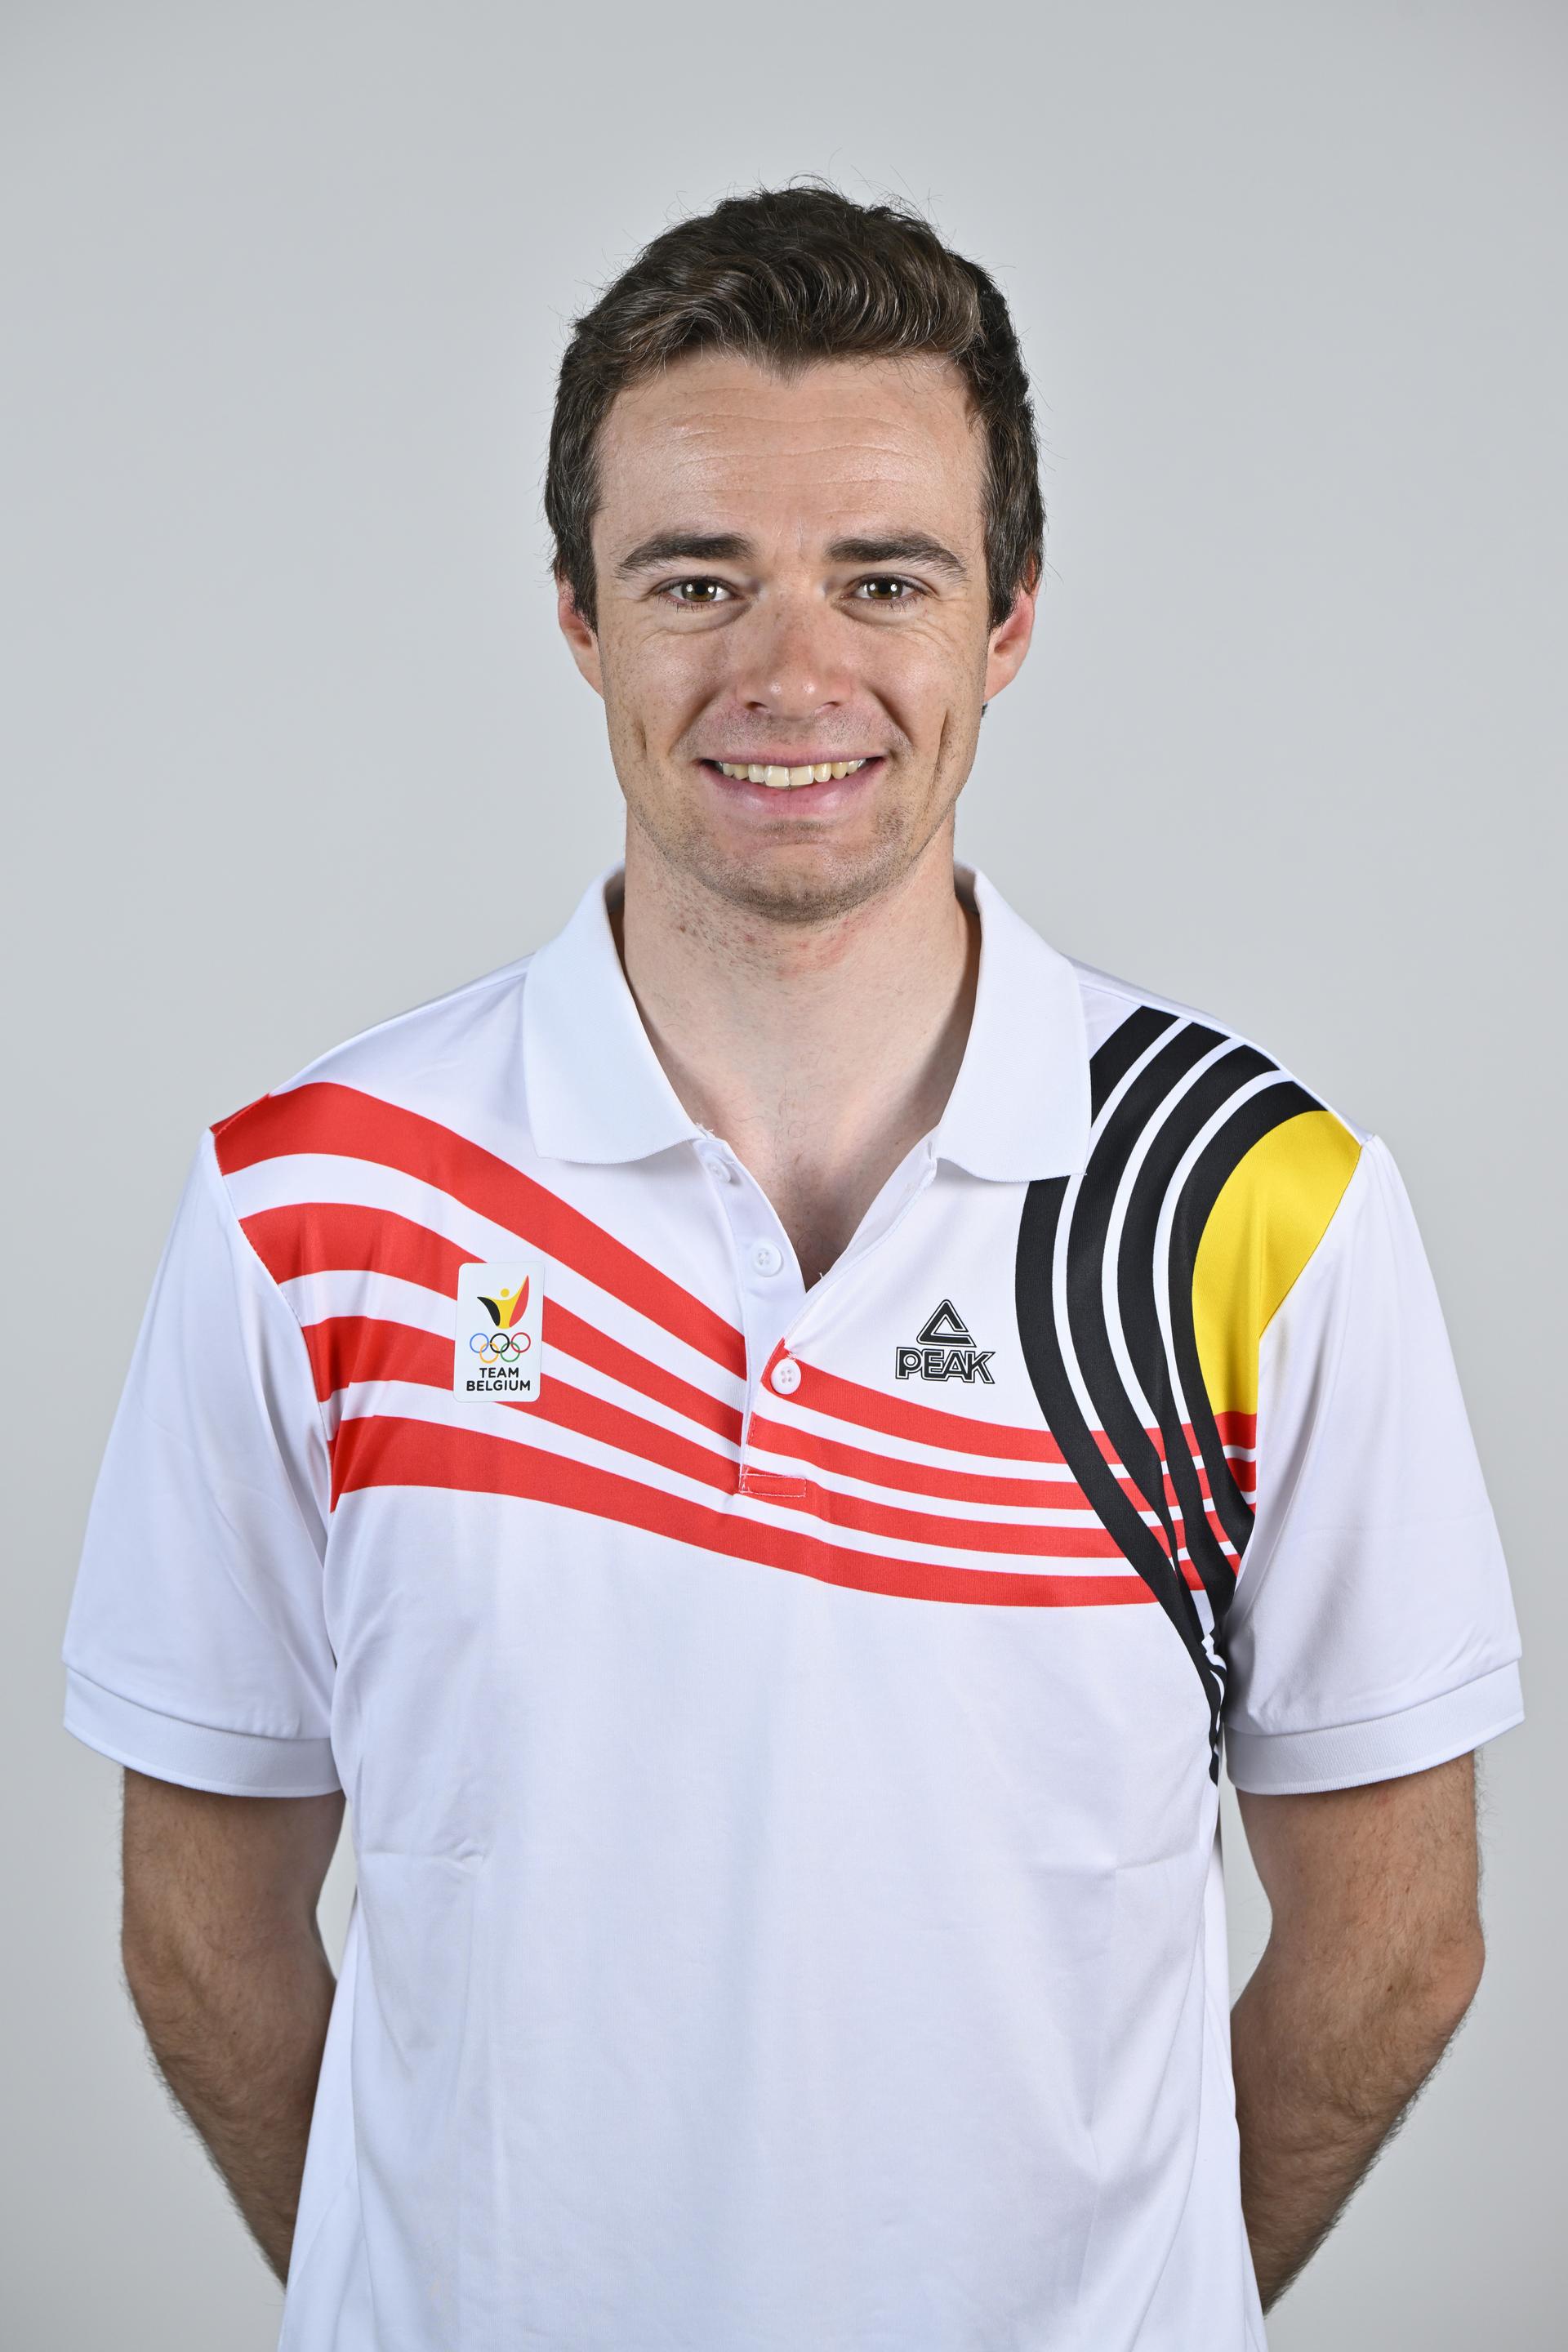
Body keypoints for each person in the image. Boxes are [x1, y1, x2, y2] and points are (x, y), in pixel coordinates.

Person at [61, 182, 1523, 2351]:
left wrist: (1138, 2295)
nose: (791, 673)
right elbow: (203, 1933)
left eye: (886, 578)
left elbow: (1397, 1943)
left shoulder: (1256, 1210)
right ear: (576, 612)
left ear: (1010, 618)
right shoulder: (312, 1204)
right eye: (696, 579)